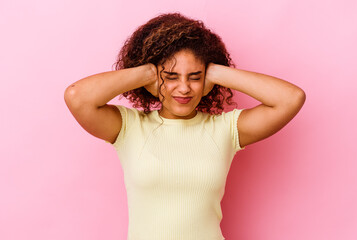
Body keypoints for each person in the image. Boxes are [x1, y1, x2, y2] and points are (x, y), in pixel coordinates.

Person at [64, 12, 305, 240]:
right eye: (170, 77)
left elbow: (291, 98)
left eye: (194, 77)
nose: (184, 88)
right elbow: (77, 96)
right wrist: (148, 71)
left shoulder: (225, 130)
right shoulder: (128, 127)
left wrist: (216, 72)